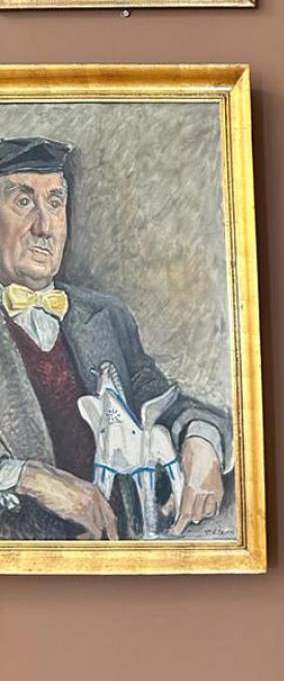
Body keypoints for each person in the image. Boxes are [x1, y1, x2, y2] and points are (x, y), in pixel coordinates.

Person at [0, 136, 231, 541]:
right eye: (23, 202)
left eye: (55, 203)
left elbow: (161, 400)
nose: (44, 227)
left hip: (126, 556)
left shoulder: (106, 316)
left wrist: (201, 438)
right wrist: (28, 477)